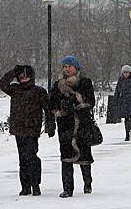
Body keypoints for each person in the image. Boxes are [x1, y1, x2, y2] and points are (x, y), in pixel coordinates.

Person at [0, 65, 51, 196]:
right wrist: (13, 71)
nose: (24, 79)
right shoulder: (15, 90)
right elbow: (2, 84)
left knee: (31, 157)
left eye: (26, 76)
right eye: (21, 77)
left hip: (32, 130)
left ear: (31, 77)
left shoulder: (39, 92)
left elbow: (48, 110)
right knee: (22, 159)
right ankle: (25, 186)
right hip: (18, 130)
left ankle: (35, 184)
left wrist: (50, 126)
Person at [49, 55, 96, 198]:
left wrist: (78, 103)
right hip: (65, 124)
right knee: (66, 155)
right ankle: (67, 189)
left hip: (82, 123)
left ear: (76, 67)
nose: (67, 68)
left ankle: (87, 183)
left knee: (84, 155)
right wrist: (60, 109)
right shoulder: (58, 85)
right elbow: (52, 103)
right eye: (65, 66)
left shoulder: (84, 82)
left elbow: (91, 101)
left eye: (70, 66)